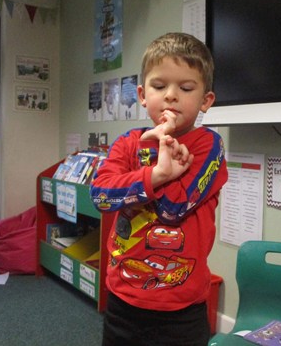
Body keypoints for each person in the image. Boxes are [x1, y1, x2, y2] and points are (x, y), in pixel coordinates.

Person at [90, 32, 228, 346]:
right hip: (123, 299)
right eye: (159, 86)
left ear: (206, 100)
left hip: (182, 307)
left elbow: (172, 209)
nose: (170, 96)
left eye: (186, 87)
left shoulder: (209, 146)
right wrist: (157, 174)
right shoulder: (127, 143)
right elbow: (99, 195)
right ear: (141, 94)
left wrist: (162, 170)